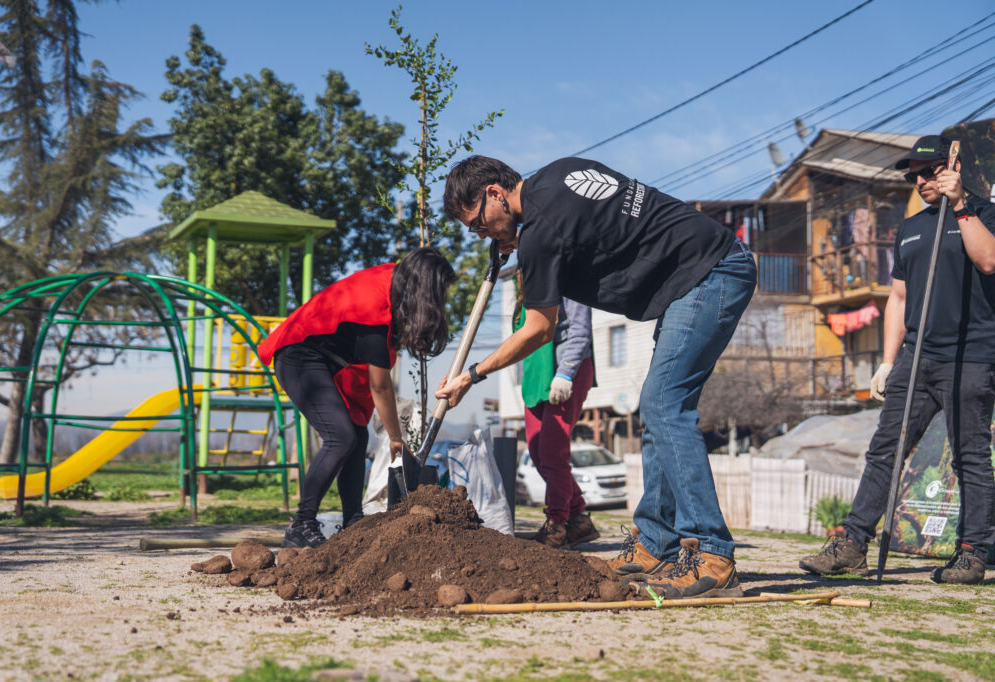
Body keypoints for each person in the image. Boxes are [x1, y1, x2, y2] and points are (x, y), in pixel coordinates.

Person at [439, 156, 756, 598]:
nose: (480, 235)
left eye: (477, 223)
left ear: (495, 193)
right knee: (657, 410)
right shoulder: (559, 173)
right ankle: (655, 542)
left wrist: (471, 375)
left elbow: (539, 329)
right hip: (697, 274)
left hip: (710, 271)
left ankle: (713, 554)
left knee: (664, 406)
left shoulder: (540, 233)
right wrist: (520, 241)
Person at [800, 135, 995, 584]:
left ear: (954, 167)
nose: (920, 181)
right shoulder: (910, 228)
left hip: (971, 357)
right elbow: (899, 298)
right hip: (916, 358)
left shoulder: (985, 213)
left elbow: (988, 262)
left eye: (928, 172)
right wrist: (887, 362)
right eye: (913, 176)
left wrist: (960, 206)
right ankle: (852, 543)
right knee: (885, 449)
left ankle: (971, 553)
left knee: (969, 457)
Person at [257, 247, 455, 548]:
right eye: (438, 294)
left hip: (326, 363)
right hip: (298, 357)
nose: (439, 303)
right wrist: (396, 437)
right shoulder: (374, 307)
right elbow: (380, 386)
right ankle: (302, 524)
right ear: (423, 288)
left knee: (356, 437)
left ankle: (353, 523)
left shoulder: (391, 283)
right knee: (340, 438)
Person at [513, 273, 598, 549]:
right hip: (536, 375)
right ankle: (579, 520)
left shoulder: (566, 273)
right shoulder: (524, 284)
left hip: (565, 371)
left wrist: (566, 373)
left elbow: (580, 330)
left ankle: (557, 524)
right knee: (538, 452)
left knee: (552, 451)